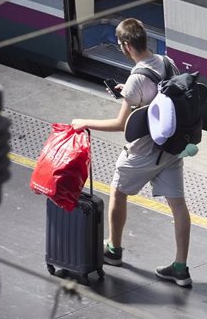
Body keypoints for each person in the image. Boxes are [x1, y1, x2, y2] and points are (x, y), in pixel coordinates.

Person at [71, 18, 193, 287]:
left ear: (126, 46)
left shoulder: (137, 78)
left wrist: (84, 122)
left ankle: (113, 250)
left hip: (143, 153)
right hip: (171, 150)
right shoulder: (166, 61)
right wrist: (126, 92)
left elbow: (120, 125)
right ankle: (181, 268)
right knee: (179, 206)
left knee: (118, 191)